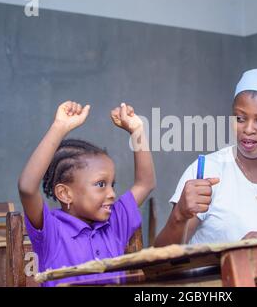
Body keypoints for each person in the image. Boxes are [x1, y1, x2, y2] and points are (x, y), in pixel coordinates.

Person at [154, 69, 257, 246]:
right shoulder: (208, 170)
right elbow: (161, 256)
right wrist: (179, 214)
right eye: (240, 118)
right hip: (209, 275)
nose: (248, 129)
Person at [18, 101, 155, 286]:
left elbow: (145, 183)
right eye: (101, 184)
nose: (112, 193)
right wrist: (59, 127)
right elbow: (27, 187)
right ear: (65, 194)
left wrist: (137, 130)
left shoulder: (114, 224)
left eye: (112, 184)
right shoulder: (52, 231)